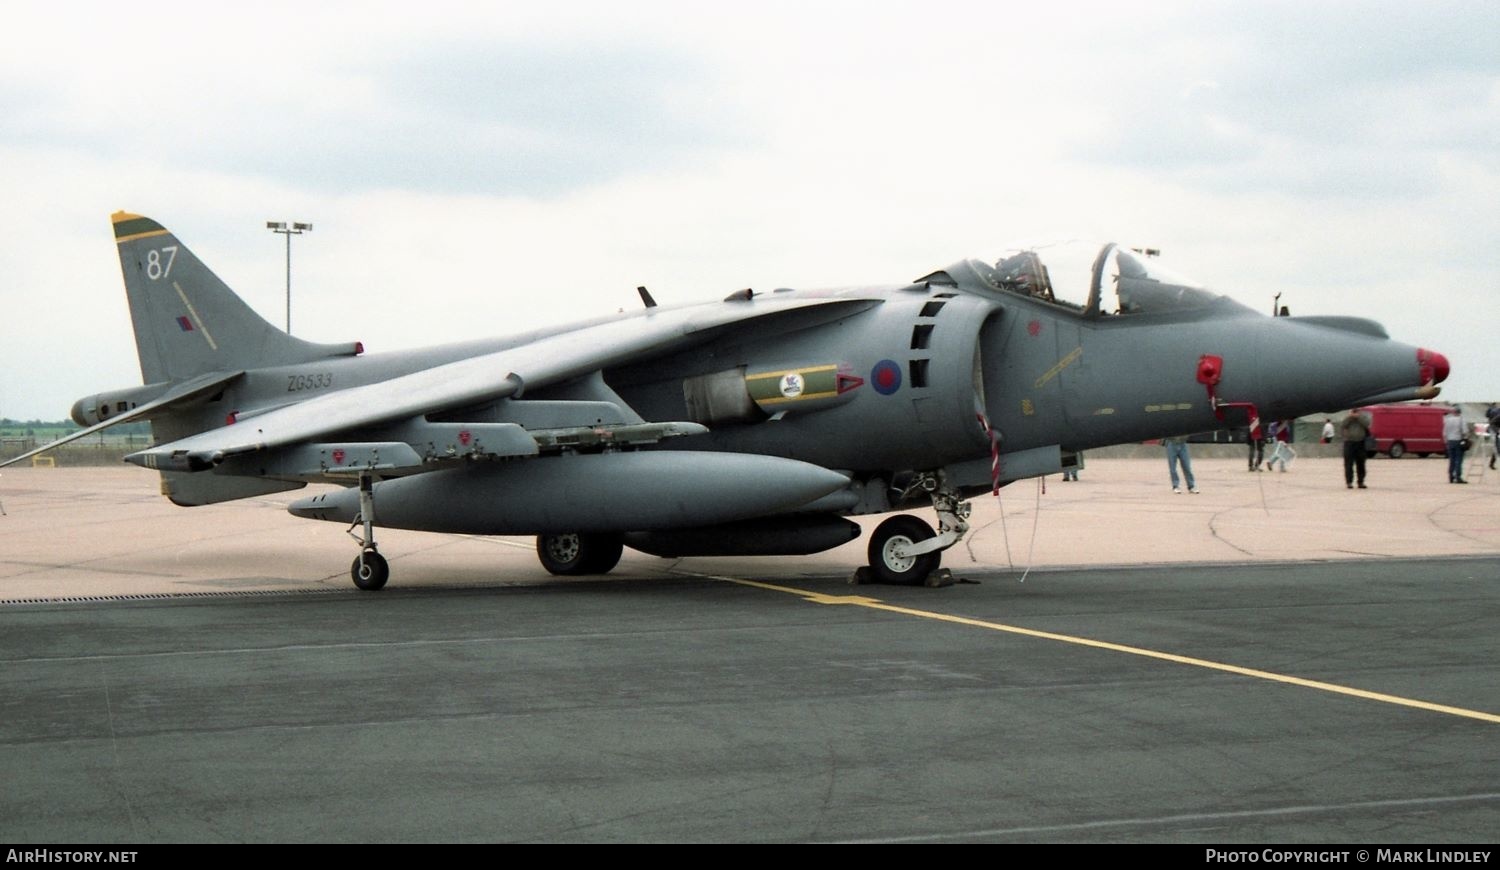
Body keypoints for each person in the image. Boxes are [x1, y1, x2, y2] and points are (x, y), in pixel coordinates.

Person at [1339, 408, 1371, 489]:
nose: (1355, 412)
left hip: (1360, 442)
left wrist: (1358, 417)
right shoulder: (1348, 417)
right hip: (1349, 443)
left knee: (1361, 463)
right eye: (1354, 410)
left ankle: (1361, 482)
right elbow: (1343, 425)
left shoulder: (1363, 417)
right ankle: (1349, 482)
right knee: (1348, 464)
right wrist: (1350, 417)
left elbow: (1367, 424)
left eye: (1357, 410)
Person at [1444, 406, 1468, 484]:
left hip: (1450, 441)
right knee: (1458, 460)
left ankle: (1451, 476)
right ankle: (1458, 476)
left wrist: (1446, 441)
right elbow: (1465, 431)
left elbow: (1444, 432)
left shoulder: (1447, 420)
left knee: (1452, 460)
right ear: (1459, 412)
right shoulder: (1461, 420)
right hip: (1458, 440)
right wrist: (1465, 438)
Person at [1487, 403, 1500, 470]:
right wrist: (1496, 431)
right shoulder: (1498, 415)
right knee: (1497, 448)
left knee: (1497, 448)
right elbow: (1492, 422)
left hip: (1496, 430)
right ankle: (1492, 463)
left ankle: (1491, 463)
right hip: (1494, 431)